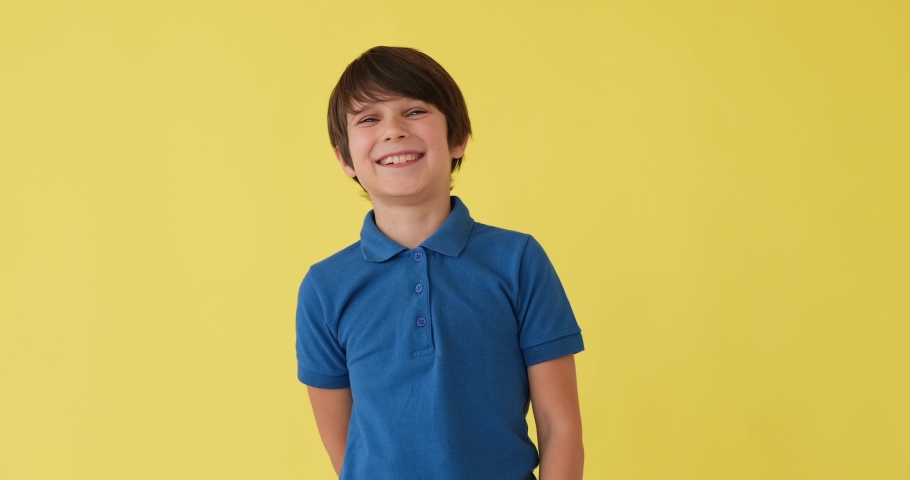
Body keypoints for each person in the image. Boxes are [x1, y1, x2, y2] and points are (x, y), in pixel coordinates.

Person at [296, 46, 584, 480]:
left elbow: (560, 427)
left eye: (414, 111)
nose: (393, 131)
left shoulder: (518, 261)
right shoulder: (325, 287)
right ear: (345, 158)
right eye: (369, 119)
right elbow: (345, 448)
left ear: (458, 137)